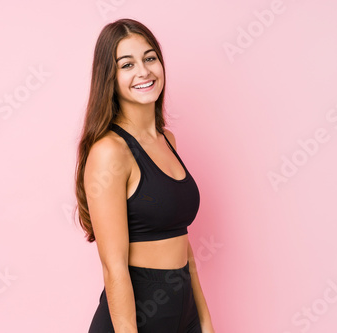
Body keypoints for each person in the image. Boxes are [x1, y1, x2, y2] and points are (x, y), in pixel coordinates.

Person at [74, 18, 215, 333]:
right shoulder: (110, 151)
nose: (143, 71)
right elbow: (114, 268)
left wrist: (204, 321)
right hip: (137, 316)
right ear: (109, 78)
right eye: (127, 64)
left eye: (149, 58)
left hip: (184, 308)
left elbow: (183, 242)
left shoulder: (168, 141)